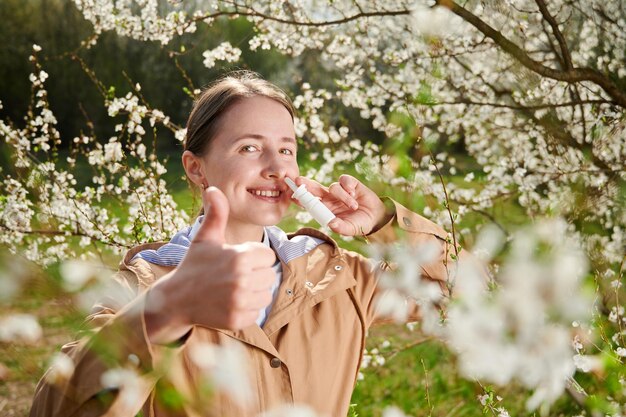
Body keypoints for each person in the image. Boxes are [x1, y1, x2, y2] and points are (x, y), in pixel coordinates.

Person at [30, 71, 460, 417]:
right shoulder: (143, 287)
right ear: (196, 169)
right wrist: (167, 311)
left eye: (286, 150)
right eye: (250, 147)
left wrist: (385, 223)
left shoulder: (339, 278)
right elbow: (55, 410)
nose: (275, 167)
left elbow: (468, 295)